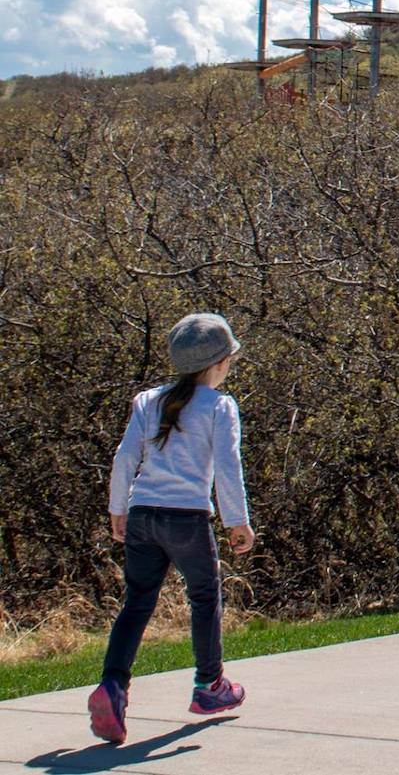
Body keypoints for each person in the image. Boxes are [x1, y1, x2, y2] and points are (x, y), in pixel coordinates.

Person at [90, 314, 254, 745]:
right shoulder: (220, 406)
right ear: (219, 364)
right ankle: (209, 685)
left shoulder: (148, 401)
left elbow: (125, 457)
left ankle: (113, 686)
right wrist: (237, 521)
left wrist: (117, 508)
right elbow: (227, 467)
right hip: (187, 519)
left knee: (137, 601)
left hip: (143, 514)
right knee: (204, 595)